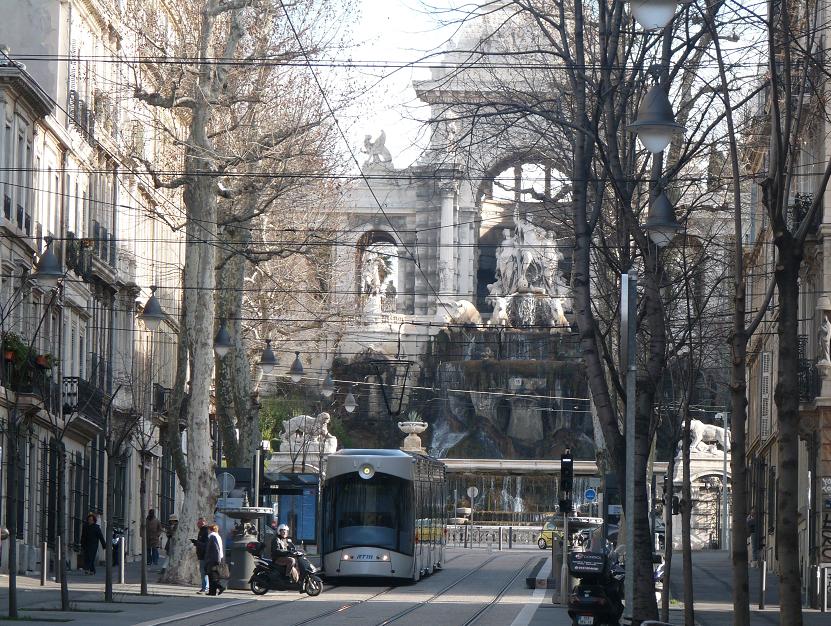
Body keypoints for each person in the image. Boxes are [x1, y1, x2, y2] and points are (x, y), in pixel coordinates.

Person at [204, 523, 225, 596]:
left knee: (212, 575)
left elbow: (215, 549)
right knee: (214, 575)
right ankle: (212, 592)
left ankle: (220, 587)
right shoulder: (218, 536)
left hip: (213, 559)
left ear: (210, 529)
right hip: (218, 558)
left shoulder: (212, 536)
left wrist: (216, 559)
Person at [191, 517, 210, 594]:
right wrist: (196, 543)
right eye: (198, 523)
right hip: (202, 555)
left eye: (201, 523)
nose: (199, 524)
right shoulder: (202, 531)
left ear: (204, 523)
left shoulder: (205, 531)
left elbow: (206, 545)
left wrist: (197, 542)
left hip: (204, 555)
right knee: (204, 572)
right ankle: (205, 587)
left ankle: (205, 588)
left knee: (203, 572)